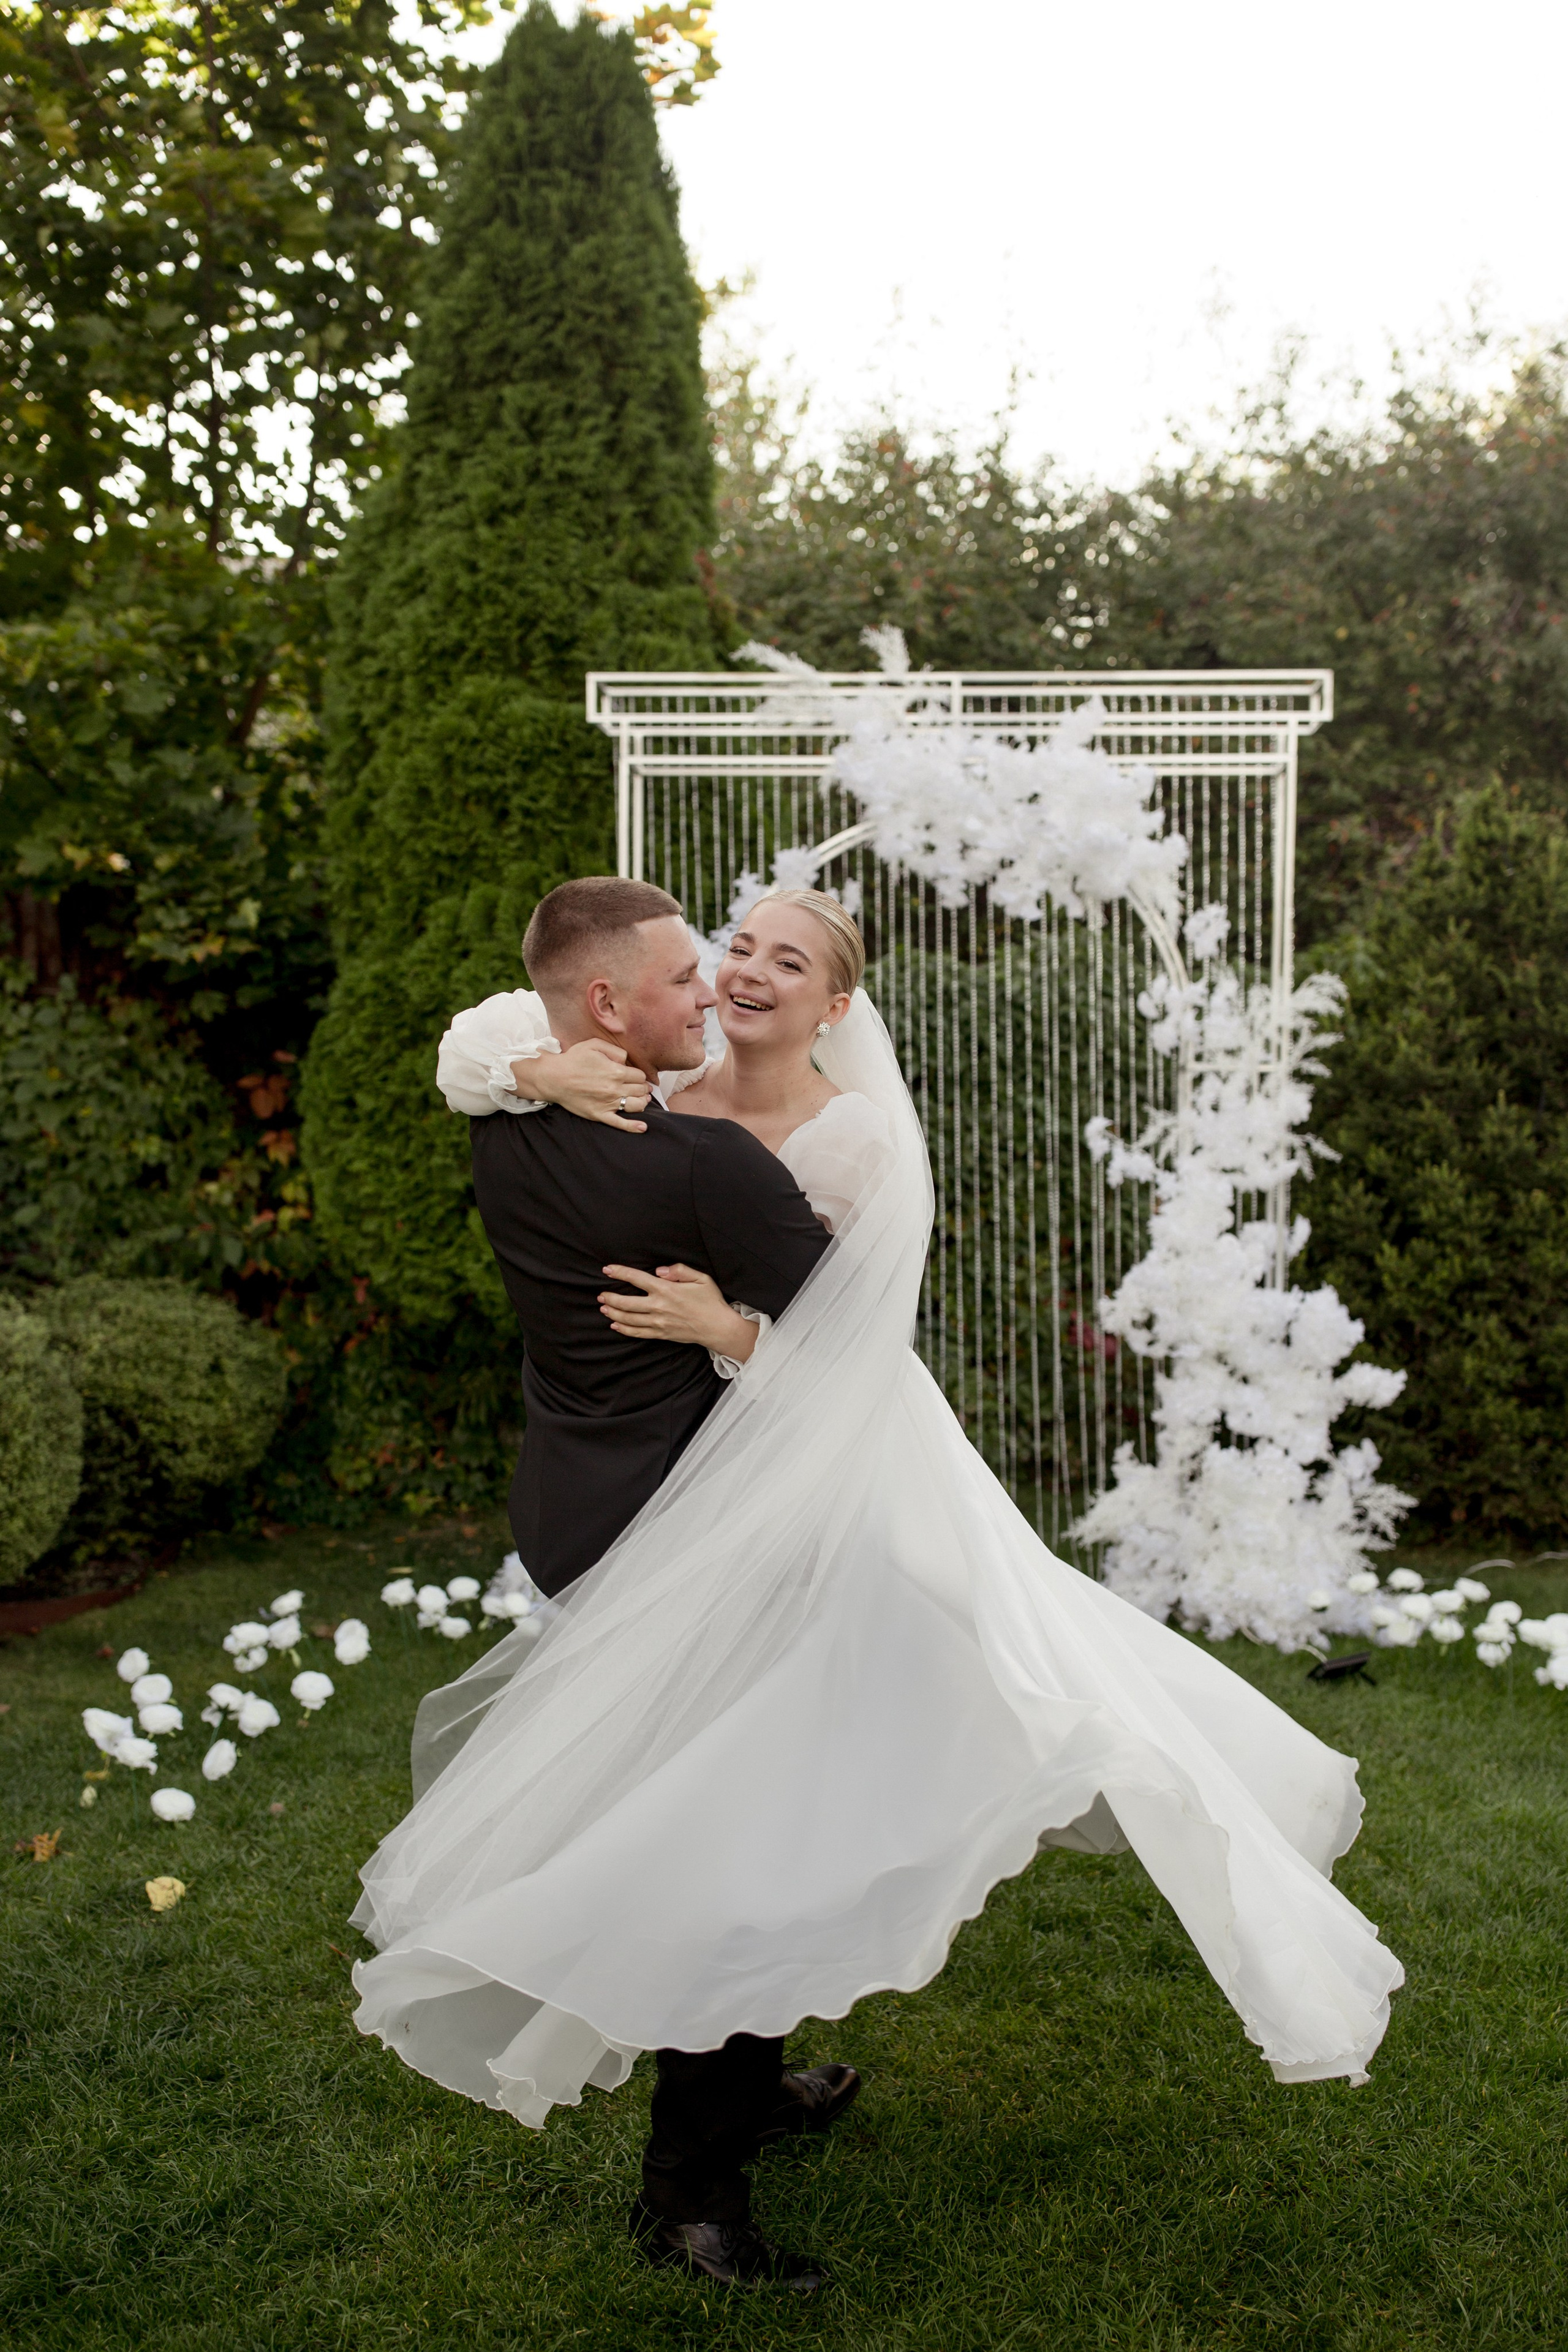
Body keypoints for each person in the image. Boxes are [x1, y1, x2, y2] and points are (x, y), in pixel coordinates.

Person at [352, 878, 1404, 2293]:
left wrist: (707, 1301)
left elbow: (483, 1037)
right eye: (708, 958)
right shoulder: (695, 1159)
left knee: (769, 1794)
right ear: (607, 1005)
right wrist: (738, 1318)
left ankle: (751, 2088)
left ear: (838, 1006)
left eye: (771, 959)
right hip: (712, 1533)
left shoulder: (512, 1115)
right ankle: (687, 2194)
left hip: (599, 1507)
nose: (725, 978)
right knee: (730, 1844)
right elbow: (844, 1354)